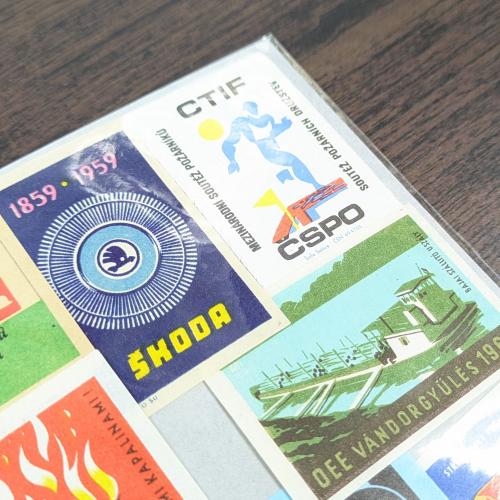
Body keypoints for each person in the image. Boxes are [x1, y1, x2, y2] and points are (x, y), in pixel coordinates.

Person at [222, 101, 322, 189]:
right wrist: (232, 160)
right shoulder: (240, 122)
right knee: (292, 164)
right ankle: (315, 185)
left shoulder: (267, 118)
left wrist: (284, 125)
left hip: (272, 150)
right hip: (260, 155)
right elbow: (228, 143)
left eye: (254, 108)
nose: (254, 110)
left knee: (294, 162)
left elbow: (273, 132)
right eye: (250, 108)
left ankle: (315, 185)